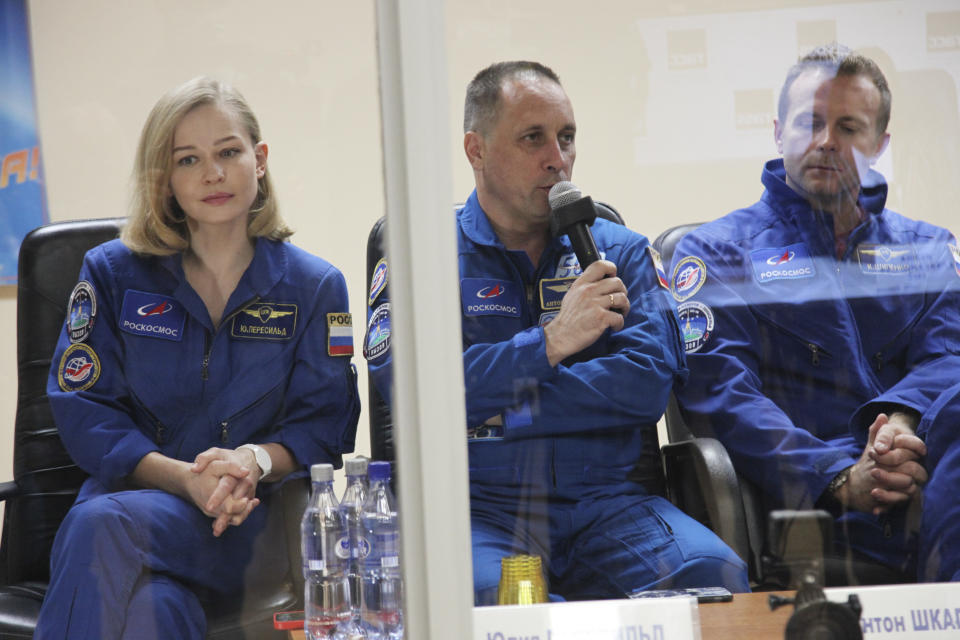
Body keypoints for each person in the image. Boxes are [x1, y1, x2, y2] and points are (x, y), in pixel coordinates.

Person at [365, 60, 749, 604]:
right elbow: (414, 393)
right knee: (505, 607)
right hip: (480, 509)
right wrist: (550, 342)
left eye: (567, 138)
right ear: (476, 150)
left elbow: (644, 387)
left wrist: (497, 406)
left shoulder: (620, 250)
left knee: (715, 578)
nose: (557, 160)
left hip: (608, 504)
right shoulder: (420, 255)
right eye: (533, 139)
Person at [35, 77, 361, 639]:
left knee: (99, 526)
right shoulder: (112, 274)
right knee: (153, 613)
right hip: (131, 503)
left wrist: (250, 464)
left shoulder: (314, 286)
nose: (212, 174)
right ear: (165, 180)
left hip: (242, 528)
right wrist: (184, 478)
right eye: (189, 159)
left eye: (228, 152)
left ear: (258, 160)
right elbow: (84, 407)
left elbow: (324, 425)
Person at [669, 43, 960, 582]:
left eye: (849, 127)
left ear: (879, 143)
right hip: (810, 507)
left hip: (932, 484)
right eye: (811, 122)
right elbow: (724, 397)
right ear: (779, 131)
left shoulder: (929, 250)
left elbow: (951, 359)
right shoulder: (717, 253)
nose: (827, 141)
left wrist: (900, 421)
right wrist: (841, 476)